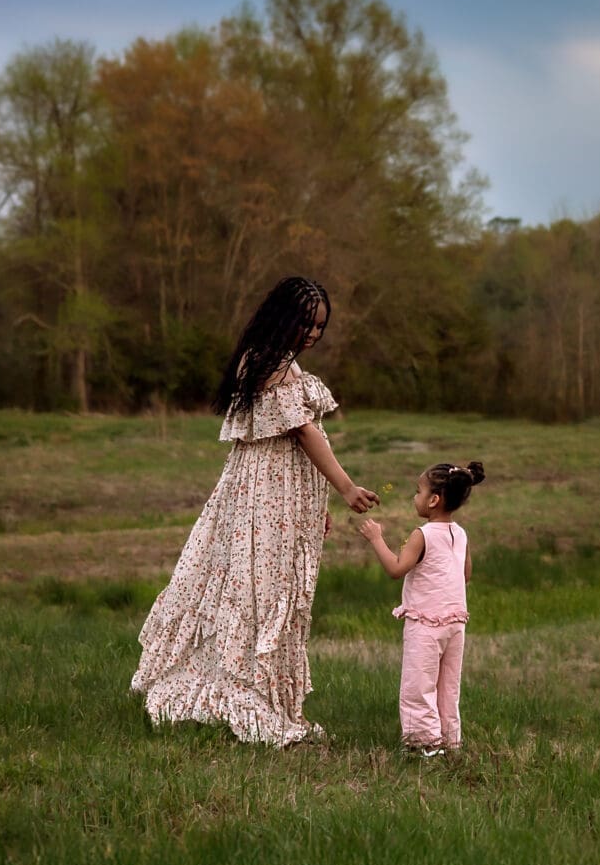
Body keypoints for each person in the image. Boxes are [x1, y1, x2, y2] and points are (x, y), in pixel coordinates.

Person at [130, 276, 379, 746]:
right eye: (306, 322)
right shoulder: (269, 365)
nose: (313, 333)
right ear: (282, 316)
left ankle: (267, 693)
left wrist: (314, 501)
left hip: (283, 493)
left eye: (321, 326)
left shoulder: (281, 363)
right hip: (264, 494)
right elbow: (304, 434)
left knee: (272, 589)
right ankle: (243, 689)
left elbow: (300, 441)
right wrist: (345, 488)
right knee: (255, 590)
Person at [360, 460, 484, 755]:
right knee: (447, 687)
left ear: (433, 500)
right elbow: (465, 575)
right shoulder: (461, 534)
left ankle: (424, 746)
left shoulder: (422, 534)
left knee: (419, 686)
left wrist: (376, 539)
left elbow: (396, 569)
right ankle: (450, 740)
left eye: (418, 491)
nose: (414, 497)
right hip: (455, 623)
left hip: (425, 625)